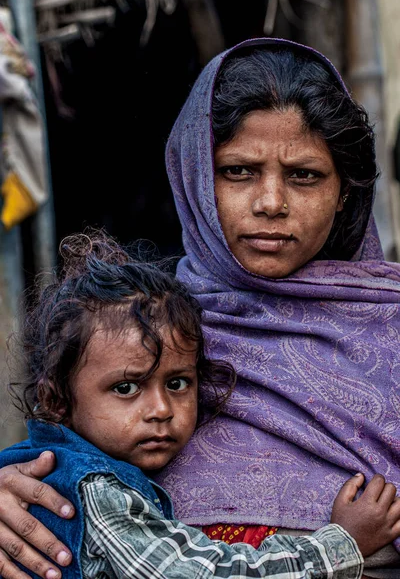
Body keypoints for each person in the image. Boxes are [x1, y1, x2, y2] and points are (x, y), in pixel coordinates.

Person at [0, 37, 400, 579]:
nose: (271, 203)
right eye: (238, 171)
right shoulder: (145, 333)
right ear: (194, 177)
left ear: (345, 192)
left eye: (304, 175)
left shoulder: (389, 327)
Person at [0, 227, 390, 579]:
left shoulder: (29, 464)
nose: (161, 410)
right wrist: (341, 546)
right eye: (125, 388)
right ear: (57, 400)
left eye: (177, 382)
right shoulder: (98, 492)